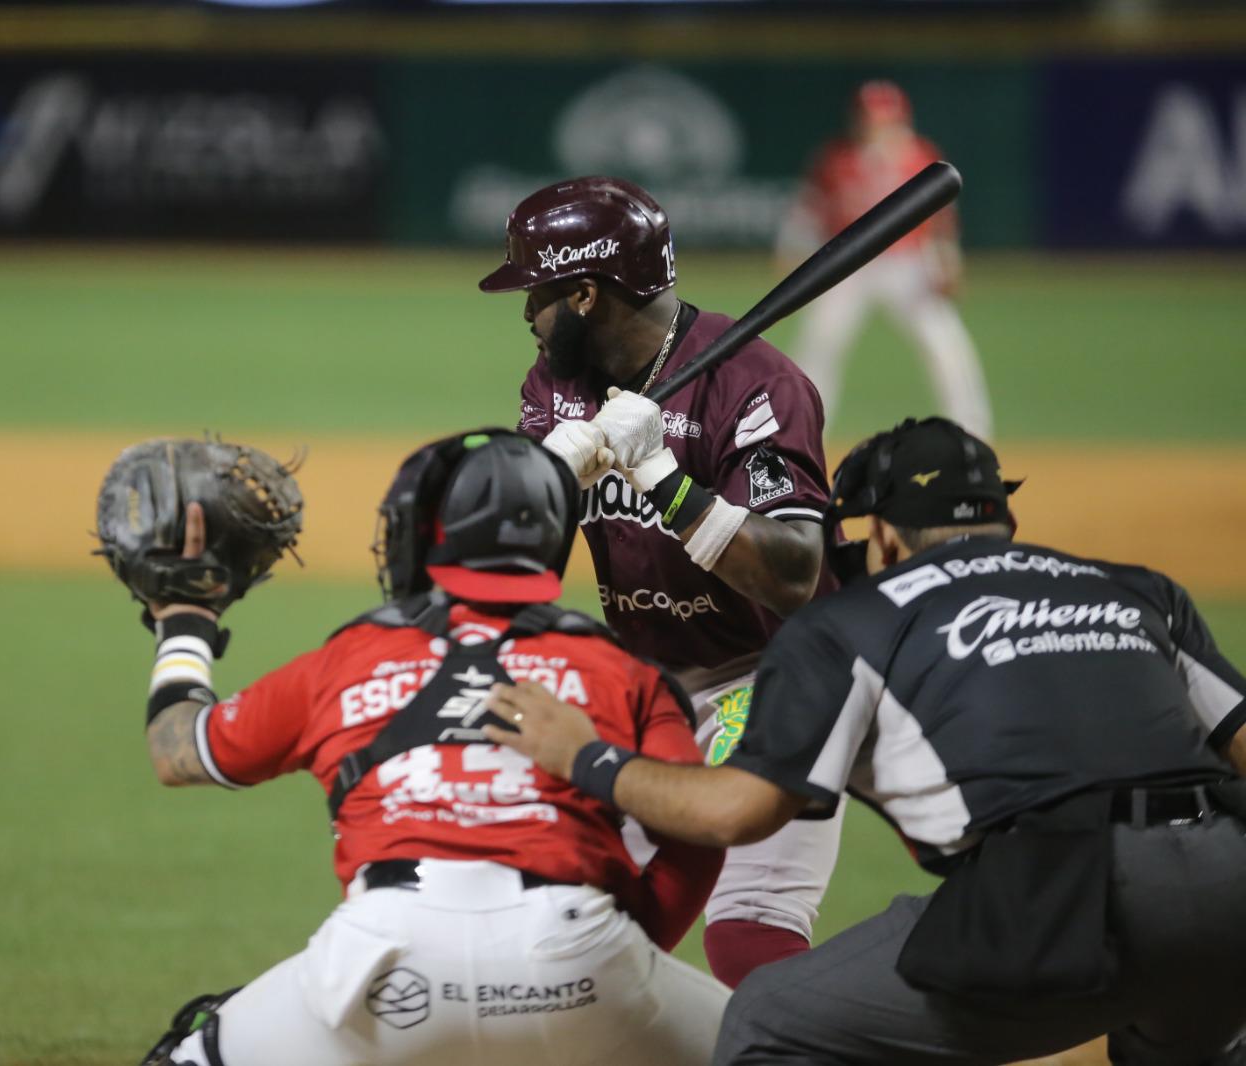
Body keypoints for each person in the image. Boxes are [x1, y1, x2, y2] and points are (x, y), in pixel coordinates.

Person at [485, 416, 1246, 1065]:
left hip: (1056, 892)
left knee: (767, 1021)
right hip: (1226, 885)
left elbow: (735, 814)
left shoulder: (856, 619)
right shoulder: (1136, 589)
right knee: (1184, 1034)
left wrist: (587, 756)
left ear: (880, 535)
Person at [125, 430, 730, 1066]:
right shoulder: (623, 672)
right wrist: (623, 951)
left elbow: (178, 750)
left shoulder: (348, 660)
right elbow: (698, 828)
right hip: (577, 948)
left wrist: (185, 620)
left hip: (380, 962)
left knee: (190, 1054)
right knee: (780, 1038)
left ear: (422, 534)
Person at [481, 175, 841, 985]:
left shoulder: (759, 384)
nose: (525, 312)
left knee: (750, 932)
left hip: (778, 675)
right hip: (647, 682)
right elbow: (519, 556)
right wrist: (549, 476)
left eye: (536, 291)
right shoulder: (556, 383)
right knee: (574, 918)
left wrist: (665, 479)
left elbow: (794, 572)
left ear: (582, 292)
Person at [777, 81, 993, 440]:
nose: (874, 125)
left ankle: (973, 432)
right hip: (847, 265)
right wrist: (792, 249)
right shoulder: (836, 158)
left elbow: (941, 218)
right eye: (868, 117)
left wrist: (947, 262)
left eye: (882, 118)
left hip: (906, 265)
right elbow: (809, 210)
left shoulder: (919, 155)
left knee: (945, 344)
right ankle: (800, 435)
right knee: (818, 344)